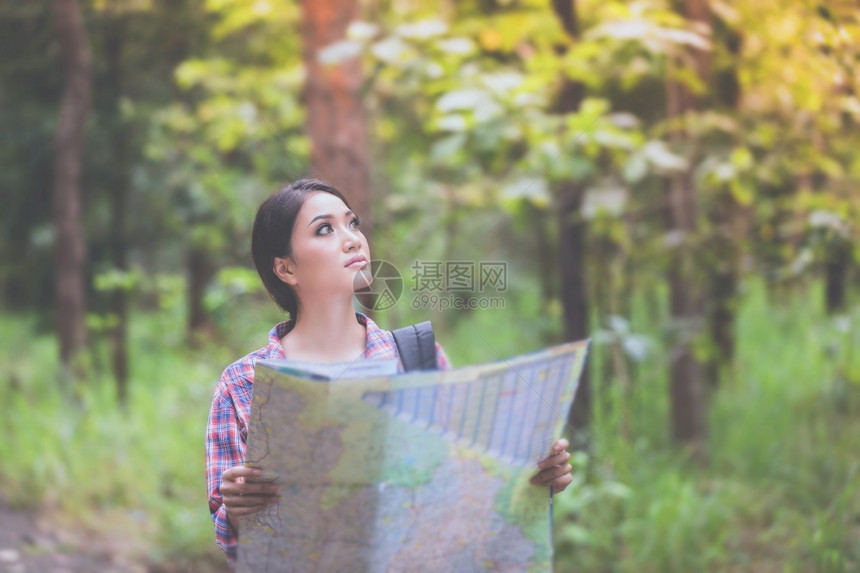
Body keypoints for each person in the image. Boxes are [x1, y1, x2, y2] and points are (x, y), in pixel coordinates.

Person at [205, 178, 574, 566]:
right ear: (286, 268)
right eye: (325, 229)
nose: (352, 239)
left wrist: (533, 478)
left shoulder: (416, 358)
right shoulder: (244, 383)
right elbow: (234, 544)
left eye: (353, 223)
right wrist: (238, 510)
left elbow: (461, 497)